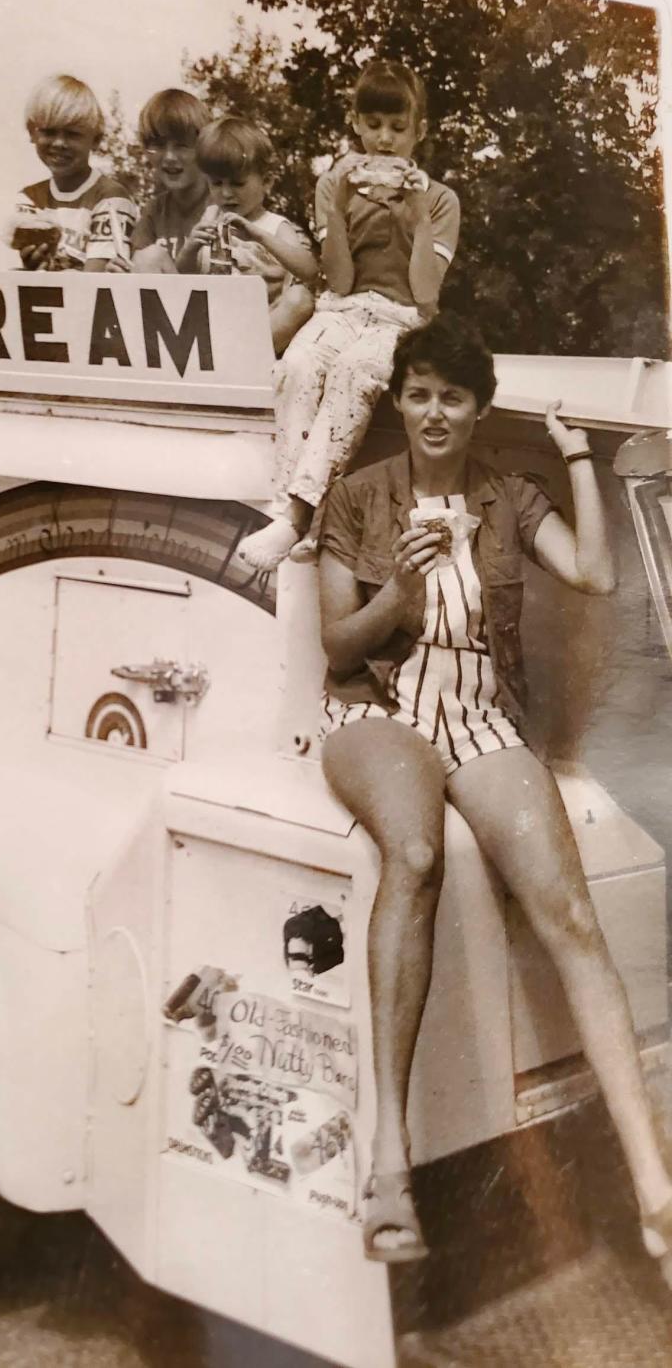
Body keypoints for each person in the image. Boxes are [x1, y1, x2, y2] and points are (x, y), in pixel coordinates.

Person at [316, 312, 672, 1273]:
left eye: (454, 396)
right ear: (400, 400)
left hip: (479, 716)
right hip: (378, 712)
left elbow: (594, 574)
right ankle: (390, 1166)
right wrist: (397, 589)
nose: (435, 412)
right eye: (420, 393)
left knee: (570, 914)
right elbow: (339, 646)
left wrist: (578, 460)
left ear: (478, 409)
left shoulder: (509, 496)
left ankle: (657, 1194)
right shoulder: (357, 496)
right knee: (416, 852)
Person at [237, 60, 460, 571]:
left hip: (404, 318)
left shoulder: (442, 200)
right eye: (374, 125)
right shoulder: (334, 182)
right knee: (296, 367)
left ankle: (295, 516)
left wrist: (417, 214)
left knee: (357, 373)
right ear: (356, 125)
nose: (384, 140)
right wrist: (337, 208)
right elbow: (336, 281)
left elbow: (425, 292)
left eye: (398, 128)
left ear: (418, 131)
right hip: (344, 307)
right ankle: (289, 516)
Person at [175, 117, 317, 358]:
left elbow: (309, 270)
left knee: (300, 299)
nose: (227, 193)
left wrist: (259, 236)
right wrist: (190, 247)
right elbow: (185, 275)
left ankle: (242, 359)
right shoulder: (211, 216)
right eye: (216, 184)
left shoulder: (274, 225)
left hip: (261, 328)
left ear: (267, 182)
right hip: (214, 324)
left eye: (238, 184)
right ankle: (218, 358)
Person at [6, 74, 137, 273]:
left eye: (72, 134)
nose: (59, 143)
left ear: (95, 140)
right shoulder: (29, 198)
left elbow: (93, 283)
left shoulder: (110, 197)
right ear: (33, 133)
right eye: (49, 132)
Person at [108, 89, 212, 274]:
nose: (170, 157)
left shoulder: (223, 203)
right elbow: (139, 269)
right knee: (146, 257)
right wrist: (120, 272)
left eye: (182, 145)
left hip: (217, 300)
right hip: (170, 300)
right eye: (159, 145)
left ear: (204, 148)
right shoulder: (154, 211)